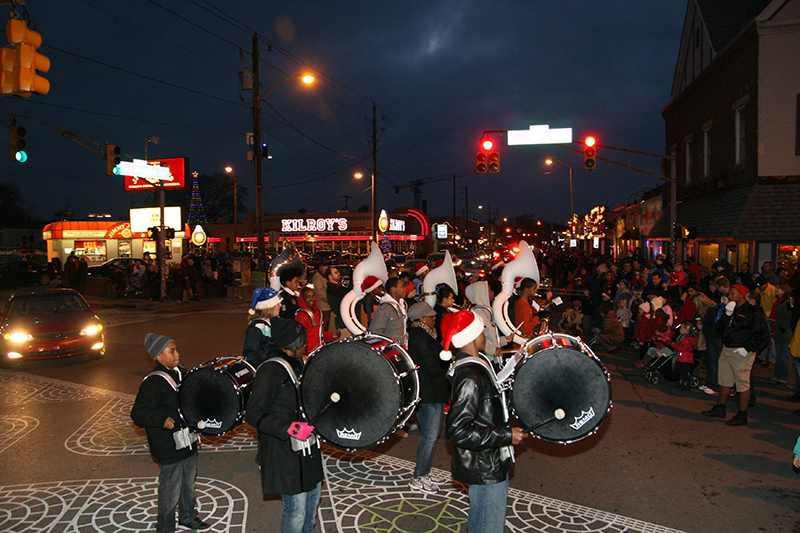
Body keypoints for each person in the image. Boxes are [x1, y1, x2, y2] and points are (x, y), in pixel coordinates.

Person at [443, 310, 528, 533]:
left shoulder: (477, 365)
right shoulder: (469, 376)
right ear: (471, 337)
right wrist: (507, 435)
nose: (485, 335)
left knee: (483, 521)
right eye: (481, 331)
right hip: (485, 466)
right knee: (487, 525)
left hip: (489, 460)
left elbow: (487, 407)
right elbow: (458, 430)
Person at [244, 318, 323, 533]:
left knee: (312, 502)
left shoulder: (301, 363)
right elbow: (253, 414)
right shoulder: (270, 371)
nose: (305, 346)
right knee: (295, 511)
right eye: (301, 342)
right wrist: (290, 429)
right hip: (283, 451)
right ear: (287, 346)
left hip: (307, 450)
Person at [131, 334, 210, 532]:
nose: (177, 354)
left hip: (187, 441)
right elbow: (138, 413)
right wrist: (161, 419)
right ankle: (165, 525)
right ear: (159, 357)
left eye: (176, 349)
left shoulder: (182, 373)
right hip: (167, 445)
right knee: (170, 489)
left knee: (188, 484)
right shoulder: (153, 383)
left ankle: (188, 516)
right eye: (171, 351)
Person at [701, 284, 770, 426]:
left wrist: (749, 348)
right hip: (727, 348)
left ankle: (742, 414)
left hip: (741, 352)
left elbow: (764, 335)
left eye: (733, 293)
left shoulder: (753, 312)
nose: (730, 296)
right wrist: (726, 315)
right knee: (724, 381)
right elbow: (719, 329)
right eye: (730, 293)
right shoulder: (731, 309)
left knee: (742, 384)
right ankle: (721, 407)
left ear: (742, 295)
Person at [406, 302, 448, 493]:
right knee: (430, 437)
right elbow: (433, 367)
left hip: (432, 392)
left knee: (432, 436)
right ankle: (418, 476)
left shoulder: (424, 335)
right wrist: (446, 363)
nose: (434, 319)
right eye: (431, 316)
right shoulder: (420, 338)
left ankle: (424, 472)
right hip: (428, 394)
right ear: (422, 319)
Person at [242, 287, 282, 367]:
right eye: (277, 303)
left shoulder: (273, 323)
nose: (280, 305)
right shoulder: (257, 328)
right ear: (270, 307)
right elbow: (250, 353)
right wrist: (265, 365)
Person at [296, 286, 339, 355]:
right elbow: (300, 337)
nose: (311, 299)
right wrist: (312, 347)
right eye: (308, 297)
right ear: (303, 299)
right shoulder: (301, 316)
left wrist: (331, 335)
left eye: (313, 296)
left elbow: (319, 333)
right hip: (309, 352)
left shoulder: (317, 312)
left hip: (318, 349)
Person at [369, 277, 407, 346]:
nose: (405, 289)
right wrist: (389, 345)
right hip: (390, 351)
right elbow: (375, 332)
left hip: (399, 349)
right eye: (402, 286)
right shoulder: (385, 309)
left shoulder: (401, 306)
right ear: (393, 289)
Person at [670, 321, 698, 390]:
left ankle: (686, 383)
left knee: (684, 371)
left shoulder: (686, 339)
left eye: (682, 329)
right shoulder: (684, 337)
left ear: (686, 330)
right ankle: (682, 383)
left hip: (685, 357)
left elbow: (683, 348)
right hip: (683, 357)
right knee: (681, 370)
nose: (680, 330)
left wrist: (674, 345)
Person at [325, 266, 349, 334]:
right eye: (336, 273)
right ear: (330, 277)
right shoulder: (332, 288)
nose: (339, 274)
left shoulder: (337, 287)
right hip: (340, 319)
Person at [311, 263, 331, 331]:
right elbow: (319, 292)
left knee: (326, 324)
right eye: (324, 267)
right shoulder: (317, 277)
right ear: (320, 267)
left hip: (326, 305)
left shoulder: (323, 276)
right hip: (322, 305)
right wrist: (328, 298)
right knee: (323, 324)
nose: (326, 268)